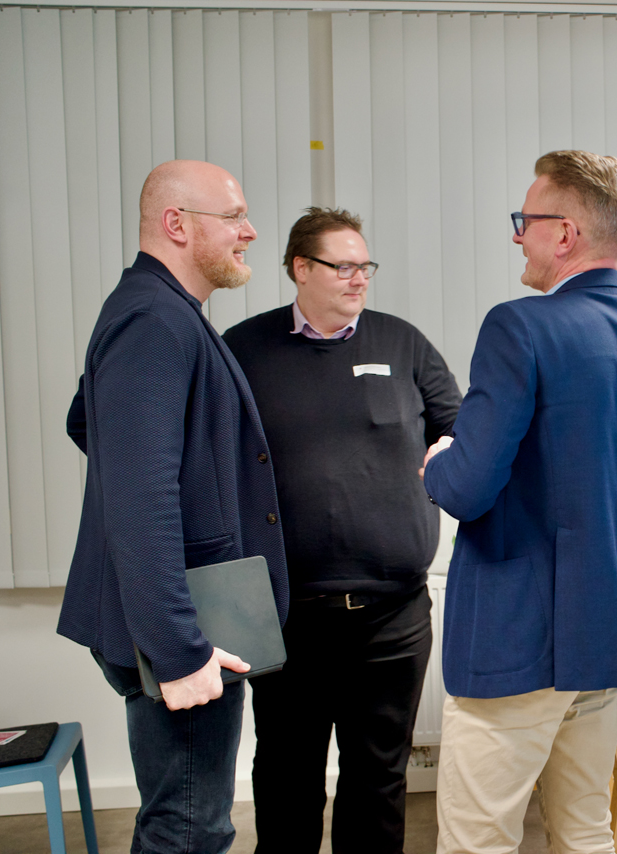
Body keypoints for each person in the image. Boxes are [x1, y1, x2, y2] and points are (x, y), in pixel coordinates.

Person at [421, 150, 617, 854]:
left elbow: (467, 488)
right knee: (585, 832)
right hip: (606, 635)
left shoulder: (519, 327)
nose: (518, 236)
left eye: (526, 221)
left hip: (517, 640)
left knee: (477, 842)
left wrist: (439, 461)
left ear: (565, 233)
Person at [57, 160, 287, 853]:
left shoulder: (161, 310)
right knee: (188, 829)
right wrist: (179, 649)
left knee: (187, 821)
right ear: (176, 224)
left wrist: (195, 484)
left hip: (191, 619)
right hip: (187, 629)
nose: (250, 231)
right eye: (234, 217)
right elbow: (140, 494)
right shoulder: (155, 320)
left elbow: (87, 422)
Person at [222, 208, 462, 854]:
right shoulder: (244, 349)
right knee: (286, 776)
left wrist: (449, 454)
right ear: (301, 268)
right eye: (344, 267)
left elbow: (460, 429)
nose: (360, 278)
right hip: (285, 616)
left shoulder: (402, 344)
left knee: (378, 779)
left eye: (365, 266)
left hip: (392, 616)